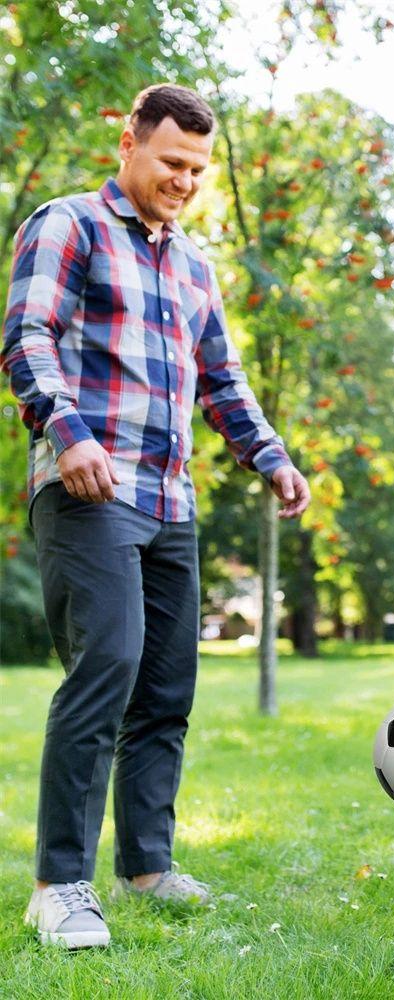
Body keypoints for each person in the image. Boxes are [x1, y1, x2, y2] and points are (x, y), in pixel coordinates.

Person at [2, 83, 311, 948]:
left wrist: (271, 456)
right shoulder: (68, 224)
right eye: (172, 161)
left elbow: (222, 379)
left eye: (198, 169)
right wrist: (66, 432)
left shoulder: (195, 266)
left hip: (171, 497)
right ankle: (59, 885)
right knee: (106, 667)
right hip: (90, 487)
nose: (185, 180)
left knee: (167, 689)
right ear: (129, 142)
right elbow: (26, 337)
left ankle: (146, 865)